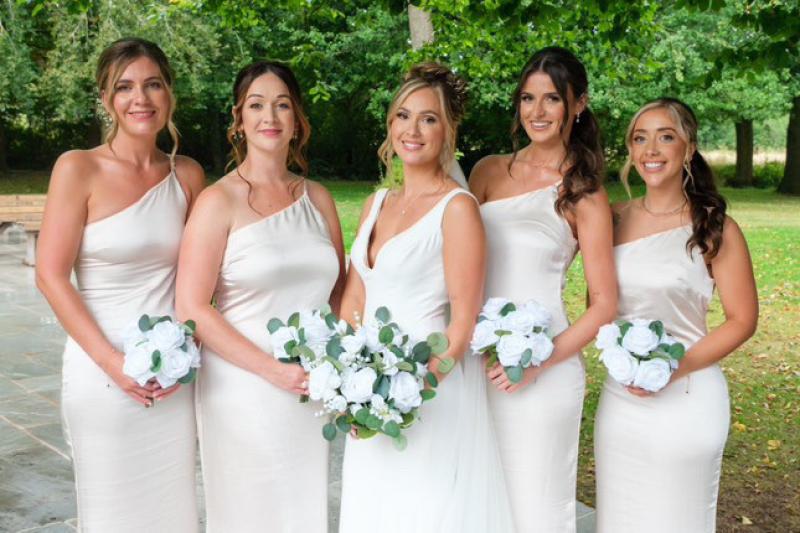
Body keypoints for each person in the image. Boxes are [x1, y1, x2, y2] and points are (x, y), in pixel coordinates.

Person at [36, 37, 205, 532]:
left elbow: (199, 280)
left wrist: (187, 350)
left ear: (169, 93)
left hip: (170, 377)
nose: (140, 98)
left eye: (153, 84)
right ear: (106, 99)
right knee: (111, 511)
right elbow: (50, 275)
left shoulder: (188, 176)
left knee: (172, 509)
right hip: (101, 370)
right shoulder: (78, 168)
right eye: (125, 87)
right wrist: (115, 363)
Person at [337, 62, 513, 533]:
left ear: (447, 131)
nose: (412, 130)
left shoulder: (457, 209)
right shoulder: (376, 202)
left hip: (427, 389)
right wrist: (349, 386)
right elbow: (354, 297)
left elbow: (462, 324)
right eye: (403, 116)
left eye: (428, 119)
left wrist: (407, 394)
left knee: (423, 512)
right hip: (367, 389)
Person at [175, 60, 345, 533]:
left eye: (282, 105)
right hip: (243, 387)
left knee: (301, 510)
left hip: (310, 388)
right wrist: (274, 370)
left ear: (297, 120)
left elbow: (339, 290)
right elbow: (191, 307)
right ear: (239, 119)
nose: (269, 116)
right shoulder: (218, 201)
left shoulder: (318, 198)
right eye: (256, 105)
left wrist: (343, 366)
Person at [469, 46, 617, 532]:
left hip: (544, 372)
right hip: (475, 367)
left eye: (552, 98)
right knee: (479, 505)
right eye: (528, 98)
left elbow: (604, 305)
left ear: (578, 104)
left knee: (536, 509)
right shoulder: (487, 172)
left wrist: (537, 361)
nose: (537, 111)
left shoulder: (584, 193)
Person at [594, 98, 758, 533]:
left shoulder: (715, 227)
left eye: (665, 137)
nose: (650, 149)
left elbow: (742, 320)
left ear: (689, 148)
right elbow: (599, 304)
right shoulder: (611, 220)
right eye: (640, 138)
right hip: (621, 399)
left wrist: (672, 367)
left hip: (688, 395)